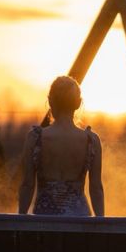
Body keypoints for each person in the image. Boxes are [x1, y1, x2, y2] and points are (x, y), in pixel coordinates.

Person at [18, 76, 104, 216]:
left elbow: (27, 185)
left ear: (50, 102)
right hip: (79, 219)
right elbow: (96, 188)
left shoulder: (35, 139)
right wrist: (101, 222)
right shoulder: (91, 141)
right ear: (78, 103)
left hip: (44, 218)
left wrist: (20, 220)